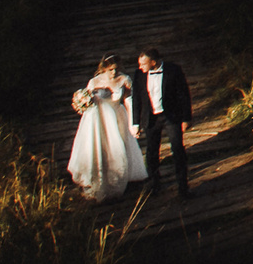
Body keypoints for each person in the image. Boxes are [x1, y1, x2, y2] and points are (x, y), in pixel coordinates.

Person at [66, 54, 147, 201]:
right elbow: (88, 101)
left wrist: (133, 123)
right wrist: (82, 102)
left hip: (116, 118)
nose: (113, 73)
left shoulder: (124, 79)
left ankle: (118, 181)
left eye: (116, 69)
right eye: (110, 70)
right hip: (98, 120)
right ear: (104, 68)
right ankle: (98, 181)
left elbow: (128, 101)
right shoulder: (94, 82)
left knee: (117, 148)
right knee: (98, 149)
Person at [131, 49, 195, 198]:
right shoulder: (139, 74)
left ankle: (183, 187)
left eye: (143, 64)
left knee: (177, 149)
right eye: (139, 64)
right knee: (152, 152)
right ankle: (154, 184)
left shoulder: (173, 70)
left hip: (170, 116)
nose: (140, 67)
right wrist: (135, 122)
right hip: (151, 118)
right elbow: (136, 99)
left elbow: (184, 94)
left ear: (154, 62)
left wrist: (186, 118)